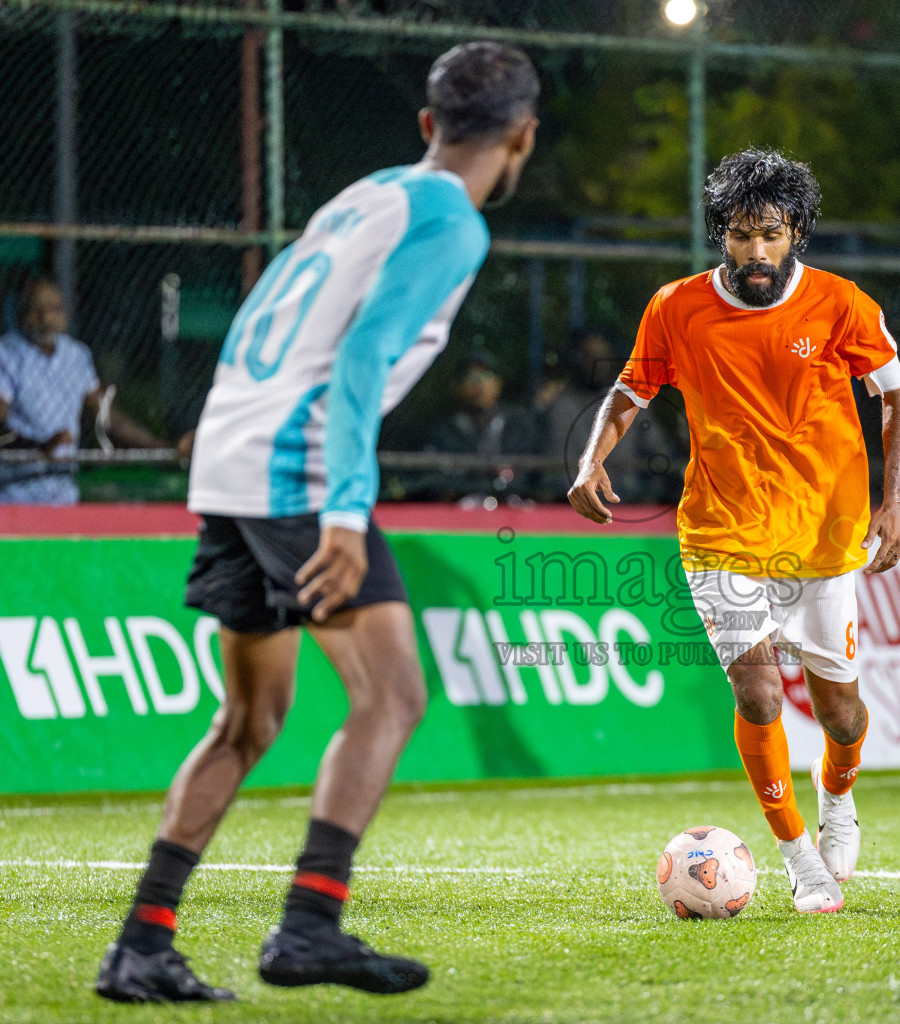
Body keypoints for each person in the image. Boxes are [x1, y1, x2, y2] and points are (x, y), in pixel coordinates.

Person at [94, 41, 539, 1003]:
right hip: (298, 471)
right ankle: (308, 928)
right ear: (523, 138)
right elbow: (362, 358)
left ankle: (142, 944)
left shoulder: (367, 195)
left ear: (427, 125)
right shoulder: (452, 222)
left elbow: (273, 310)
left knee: (249, 719)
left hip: (231, 457)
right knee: (394, 696)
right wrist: (344, 510)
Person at [568, 149, 900, 915]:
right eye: (740, 234)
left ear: (797, 233)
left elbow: (896, 395)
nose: (756, 251)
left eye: (771, 234)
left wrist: (894, 504)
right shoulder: (676, 307)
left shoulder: (841, 304)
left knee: (842, 715)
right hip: (720, 533)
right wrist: (593, 458)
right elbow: (631, 389)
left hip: (822, 538)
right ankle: (800, 859)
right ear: (720, 233)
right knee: (759, 694)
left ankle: (838, 800)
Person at [0, 278, 166, 504]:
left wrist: (166, 449)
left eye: (54, 309)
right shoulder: (1, 354)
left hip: (62, 496)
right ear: (20, 312)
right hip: (10, 495)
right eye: (36, 310)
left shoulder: (76, 355)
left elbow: (106, 417)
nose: (46, 318)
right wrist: (41, 448)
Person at [538, 327, 674, 502]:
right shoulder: (561, 407)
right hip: (571, 505)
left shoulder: (631, 401)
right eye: (589, 357)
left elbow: (659, 452)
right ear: (576, 360)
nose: (598, 364)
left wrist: (652, 492)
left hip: (628, 501)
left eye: (603, 356)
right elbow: (553, 471)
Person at [420, 350, 536, 503]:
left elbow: (531, 476)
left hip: (513, 509)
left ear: (498, 383)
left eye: (487, 375)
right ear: (456, 386)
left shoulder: (518, 425)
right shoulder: (442, 433)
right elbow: (437, 482)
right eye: (471, 376)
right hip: (460, 511)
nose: (480, 383)